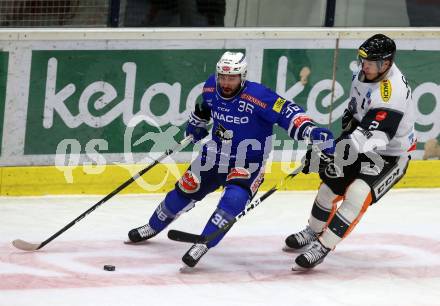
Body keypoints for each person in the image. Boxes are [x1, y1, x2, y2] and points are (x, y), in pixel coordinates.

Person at [127, 51, 335, 269]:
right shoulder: (210, 87)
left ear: (242, 76)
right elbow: (206, 107)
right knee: (185, 189)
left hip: (248, 161)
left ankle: (203, 243)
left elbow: (288, 114)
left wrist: (312, 131)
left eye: (232, 77)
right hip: (214, 155)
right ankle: (152, 225)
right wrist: (197, 123)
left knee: (234, 200)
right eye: (222, 77)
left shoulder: (259, 96)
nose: (225, 82)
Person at [284, 34, 417, 270]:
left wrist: (332, 152)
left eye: (371, 62)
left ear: (386, 63)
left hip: (390, 155)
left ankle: (323, 246)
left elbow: (375, 137)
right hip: (361, 141)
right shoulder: (364, 72)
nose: (364, 65)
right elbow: (356, 116)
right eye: (363, 60)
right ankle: (313, 232)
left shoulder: (391, 93)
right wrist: (329, 149)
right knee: (328, 188)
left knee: (356, 194)